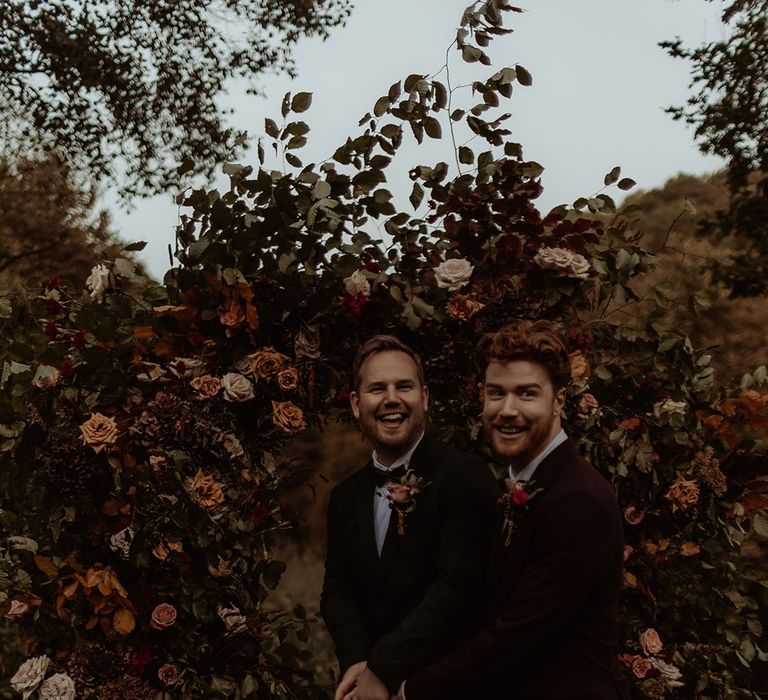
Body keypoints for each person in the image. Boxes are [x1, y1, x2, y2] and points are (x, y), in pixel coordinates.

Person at [400, 319, 629, 700]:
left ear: (558, 399)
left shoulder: (578, 501)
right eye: (496, 393)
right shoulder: (521, 486)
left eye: (526, 394)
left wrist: (408, 692)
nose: (507, 410)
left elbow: (517, 638)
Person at [320, 335, 499, 700]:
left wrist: (381, 671)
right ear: (356, 404)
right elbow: (338, 591)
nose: (391, 399)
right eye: (377, 389)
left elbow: (456, 590)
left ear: (425, 398)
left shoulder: (465, 477)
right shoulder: (344, 497)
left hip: (447, 687)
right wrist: (356, 663)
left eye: (404, 386)